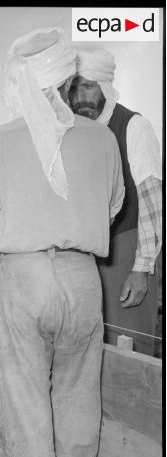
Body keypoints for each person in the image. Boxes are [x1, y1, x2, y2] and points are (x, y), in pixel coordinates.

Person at [0, 28, 124, 457]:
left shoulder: (2, 138)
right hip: (83, 280)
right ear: (66, 78)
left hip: (24, 277)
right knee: (79, 400)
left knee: (28, 408)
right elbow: (111, 207)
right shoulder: (102, 137)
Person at [69, 48, 162, 356]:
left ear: (105, 86)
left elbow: (152, 202)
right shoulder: (77, 135)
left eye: (88, 86)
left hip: (127, 251)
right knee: (94, 348)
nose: (80, 97)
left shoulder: (133, 126)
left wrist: (141, 268)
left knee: (131, 348)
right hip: (89, 256)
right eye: (73, 88)